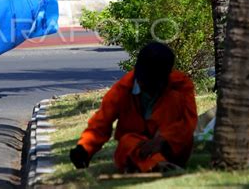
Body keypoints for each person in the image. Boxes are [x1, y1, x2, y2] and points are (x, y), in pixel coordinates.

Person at [70, 42, 197, 173]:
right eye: (146, 80)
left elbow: (188, 123)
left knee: (175, 100)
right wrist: (84, 148)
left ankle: (159, 164)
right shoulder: (123, 89)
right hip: (135, 148)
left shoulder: (180, 86)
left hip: (171, 147)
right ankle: (158, 165)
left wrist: (163, 140)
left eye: (155, 81)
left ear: (165, 77)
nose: (148, 85)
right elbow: (101, 123)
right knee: (127, 142)